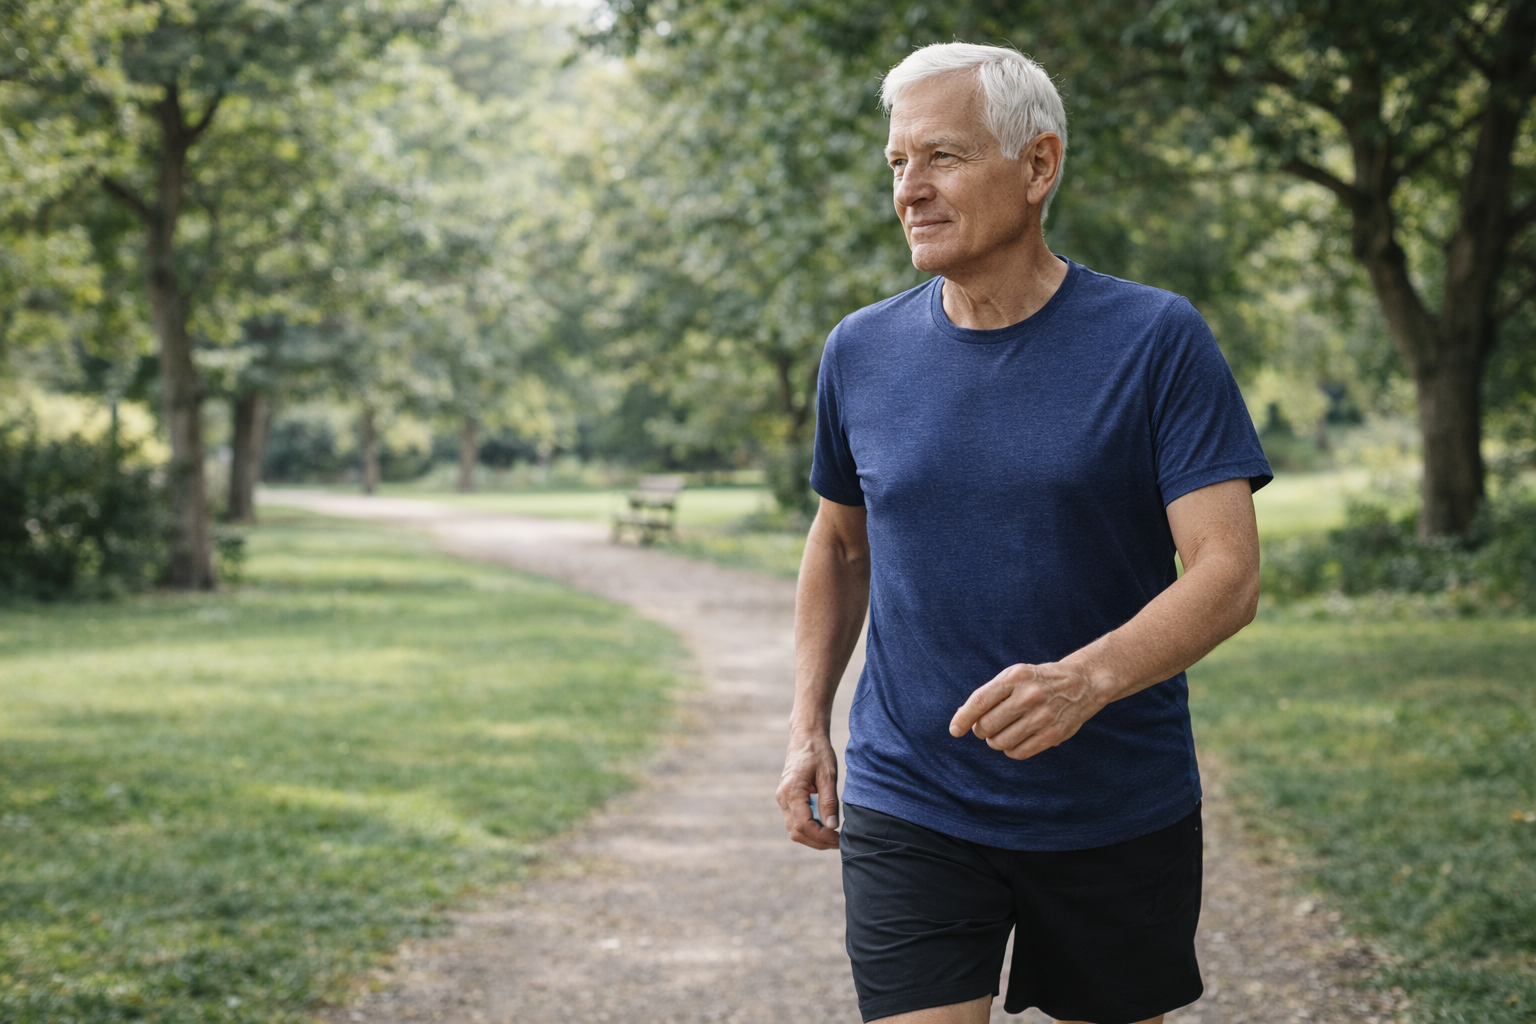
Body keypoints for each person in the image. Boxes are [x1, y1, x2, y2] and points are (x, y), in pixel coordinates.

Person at [774, 43, 1272, 1024]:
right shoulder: (860, 351)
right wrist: (805, 727)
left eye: (942, 158)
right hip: (912, 795)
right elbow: (838, 544)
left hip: (1113, 804)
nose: (909, 189)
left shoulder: (1157, 340)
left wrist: (1084, 680)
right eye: (896, 164)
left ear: (1038, 165)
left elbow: (1228, 572)